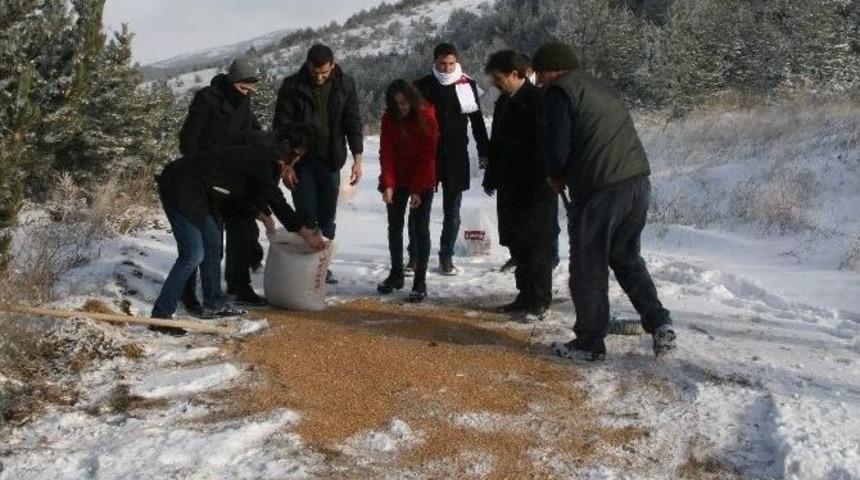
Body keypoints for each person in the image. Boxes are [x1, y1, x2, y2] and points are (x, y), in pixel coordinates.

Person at [533, 42, 677, 361]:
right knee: (626, 258)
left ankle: (589, 342)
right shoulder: (598, 87)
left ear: (551, 70)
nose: (538, 81)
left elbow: (557, 147)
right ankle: (660, 323)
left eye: (539, 74)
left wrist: (556, 174)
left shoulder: (560, 92)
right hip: (637, 183)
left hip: (600, 189)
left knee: (588, 266)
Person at [152, 127, 325, 335]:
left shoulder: (261, 157)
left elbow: (240, 193)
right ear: (288, 151)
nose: (296, 162)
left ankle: (214, 302)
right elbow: (275, 199)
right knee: (193, 254)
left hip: (202, 193)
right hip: (180, 187)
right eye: (297, 157)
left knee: (213, 245)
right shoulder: (262, 160)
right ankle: (160, 315)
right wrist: (305, 233)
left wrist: (262, 214)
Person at [177, 57, 265, 313]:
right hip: (202, 178)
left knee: (236, 235)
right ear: (231, 81)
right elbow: (188, 138)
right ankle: (189, 292)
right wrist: (202, 166)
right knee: (202, 243)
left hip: (231, 178)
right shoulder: (206, 98)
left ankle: (235, 287)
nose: (247, 93)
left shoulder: (245, 102)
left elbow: (251, 131)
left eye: (251, 89)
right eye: (243, 88)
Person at [273, 44, 364, 285]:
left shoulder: (345, 84)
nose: (320, 77)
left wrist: (358, 157)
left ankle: (323, 264)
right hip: (300, 162)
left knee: (327, 216)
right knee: (305, 214)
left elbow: (353, 121)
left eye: (324, 72)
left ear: (332, 66)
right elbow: (280, 127)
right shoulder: (292, 86)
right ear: (307, 65)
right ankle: (306, 265)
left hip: (331, 160)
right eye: (315, 72)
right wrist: (286, 164)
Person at [482, 50, 556, 319]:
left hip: (535, 187)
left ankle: (540, 299)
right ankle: (524, 296)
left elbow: (543, 147)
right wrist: (492, 173)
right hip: (509, 185)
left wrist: (541, 184)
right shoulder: (504, 102)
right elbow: (498, 141)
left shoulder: (538, 101)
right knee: (516, 242)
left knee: (536, 245)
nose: (495, 83)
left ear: (516, 74)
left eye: (499, 78)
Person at [412, 43, 490, 276]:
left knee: (452, 212)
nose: (446, 69)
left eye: (451, 64)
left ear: (457, 62)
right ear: (434, 62)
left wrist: (484, 151)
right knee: (420, 209)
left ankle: (446, 256)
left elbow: (477, 123)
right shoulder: (421, 86)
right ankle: (415, 256)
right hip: (427, 156)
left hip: (456, 155)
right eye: (442, 64)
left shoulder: (468, 85)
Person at [377, 80, 439, 303]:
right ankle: (396, 273)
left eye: (404, 103)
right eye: (396, 105)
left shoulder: (427, 116)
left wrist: (416, 190)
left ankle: (419, 280)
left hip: (422, 179)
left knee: (420, 228)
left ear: (412, 100)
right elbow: (387, 152)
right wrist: (388, 183)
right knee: (394, 226)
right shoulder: (389, 119)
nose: (401, 108)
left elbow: (427, 155)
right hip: (397, 177)